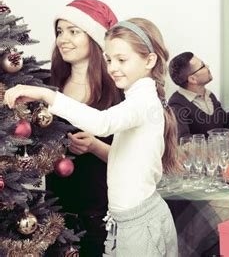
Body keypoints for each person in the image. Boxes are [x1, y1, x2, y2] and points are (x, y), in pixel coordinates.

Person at [5, 18, 179, 255]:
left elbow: (102, 123)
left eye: (122, 60)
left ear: (149, 60)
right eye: (109, 59)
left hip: (139, 223)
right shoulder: (137, 100)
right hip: (125, 219)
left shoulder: (143, 103)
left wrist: (45, 95)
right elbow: (122, 158)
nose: (113, 67)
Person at [47, 0, 122, 256]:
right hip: (53, 214)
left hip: (98, 216)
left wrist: (94, 146)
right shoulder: (49, 86)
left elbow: (133, 159)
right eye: (59, 32)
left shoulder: (118, 92)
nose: (63, 39)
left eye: (73, 31)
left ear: (93, 37)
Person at [168, 51, 229, 139]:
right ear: (192, 79)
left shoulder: (209, 95)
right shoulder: (176, 105)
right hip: (207, 153)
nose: (207, 66)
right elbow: (184, 141)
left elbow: (225, 124)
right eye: (203, 66)